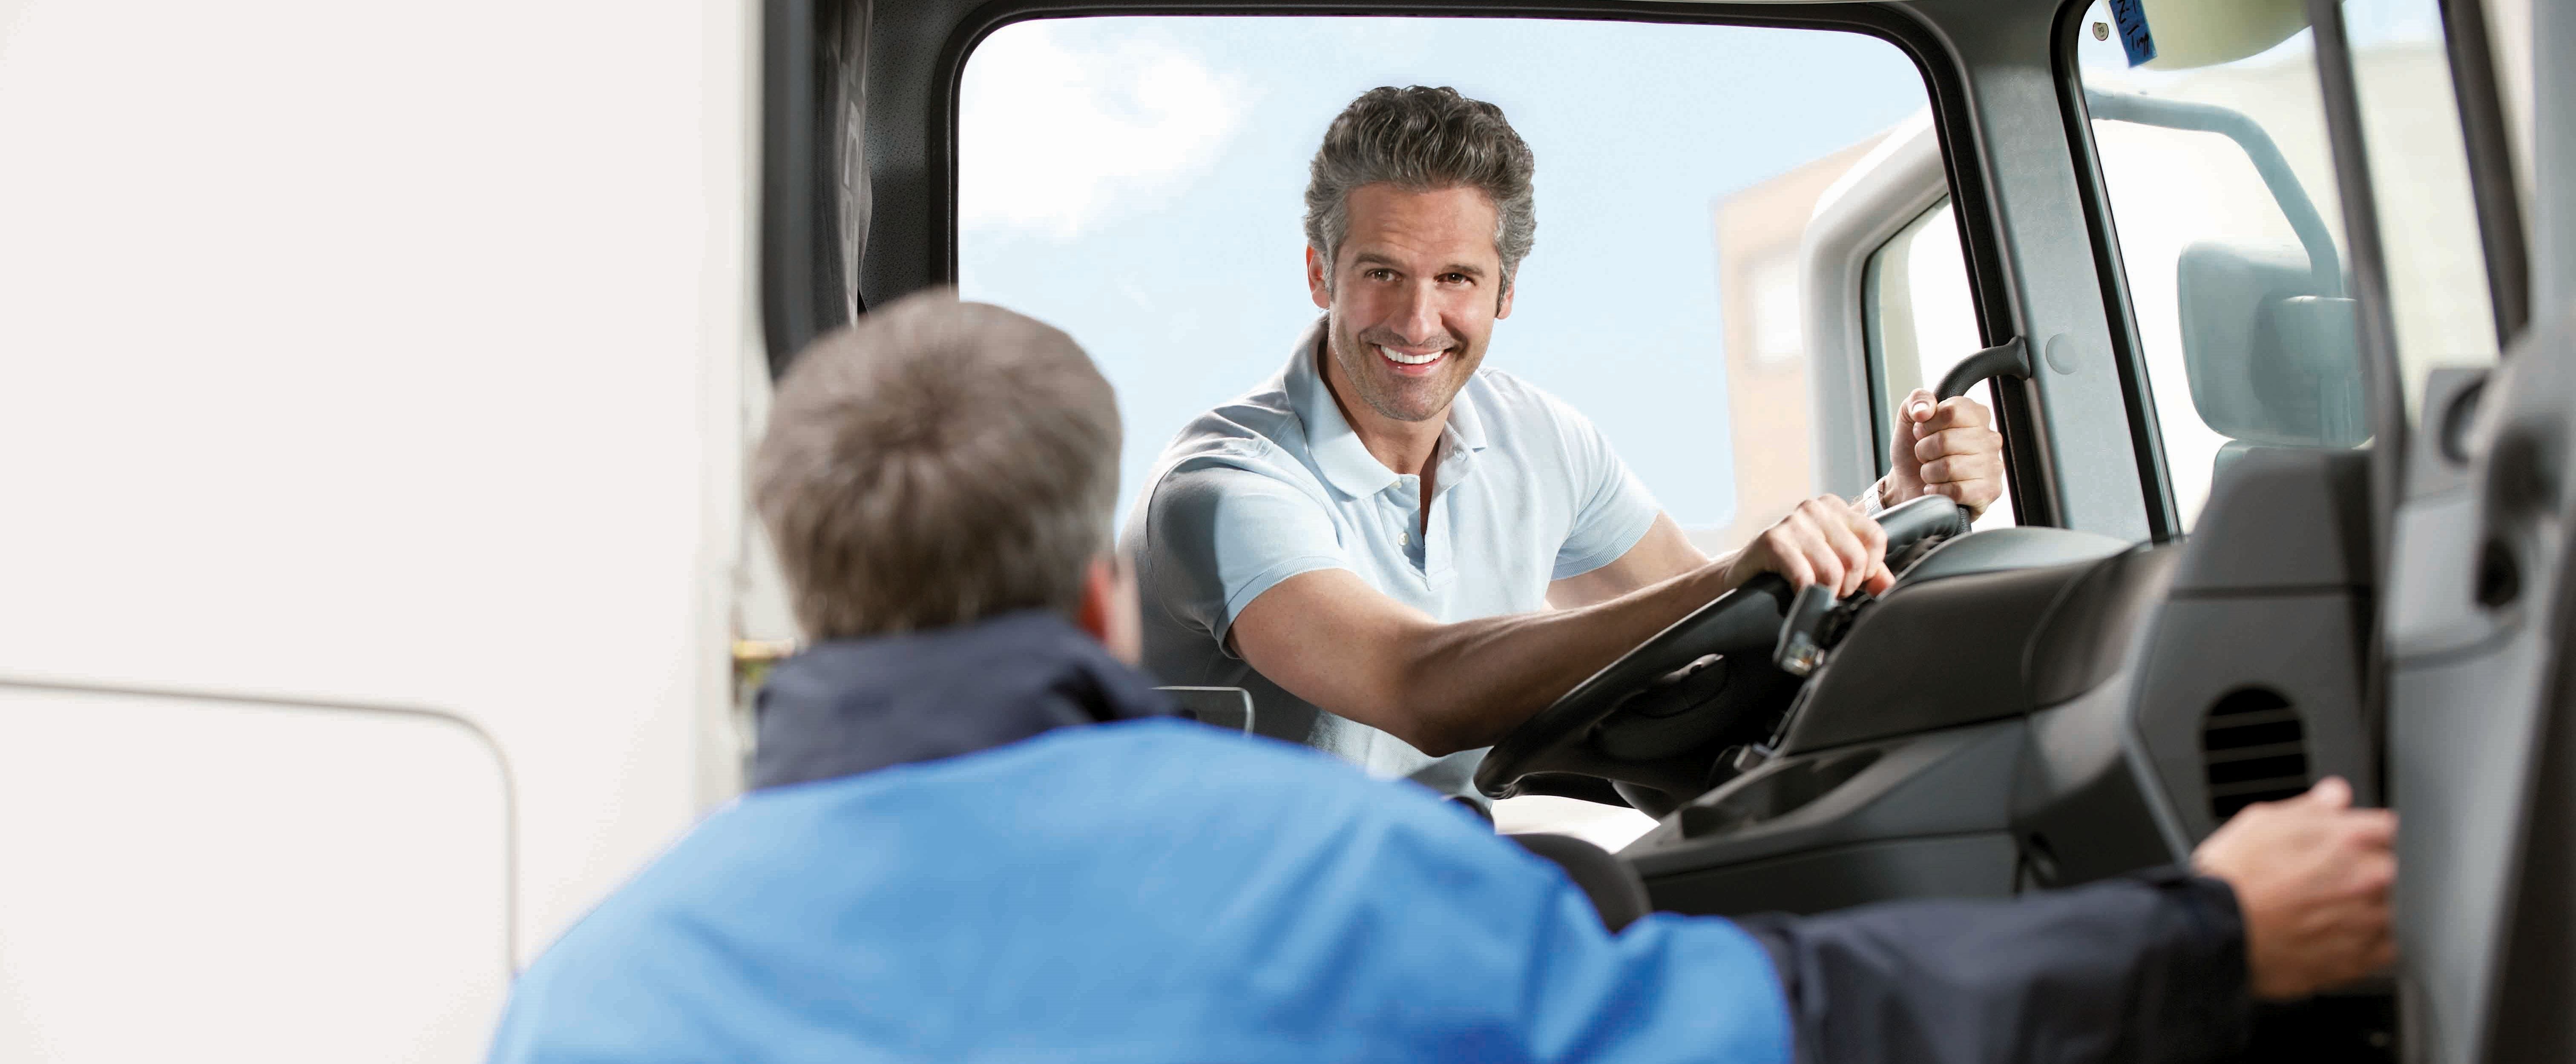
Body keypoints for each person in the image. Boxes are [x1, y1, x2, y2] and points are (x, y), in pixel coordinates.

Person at [485, 291, 2396, 1064]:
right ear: (1091, 594)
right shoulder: (1306, 876)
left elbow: (1679, 602)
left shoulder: (585, 992)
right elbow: (1773, 1019)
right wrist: (2206, 929)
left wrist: (1872, 522)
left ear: (810, 600)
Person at [1126, 86, 2009, 801]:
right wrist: (1733, 572)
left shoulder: (1539, 438)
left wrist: (1889, 506)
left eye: (1457, 279)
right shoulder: (1224, 486)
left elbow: (1706, 613)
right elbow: (1415, 687)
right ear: (1322, 272)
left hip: (1431, 883)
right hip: (1235, 927)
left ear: (1505, 291)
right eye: (1383, 273)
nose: (1417, 319)